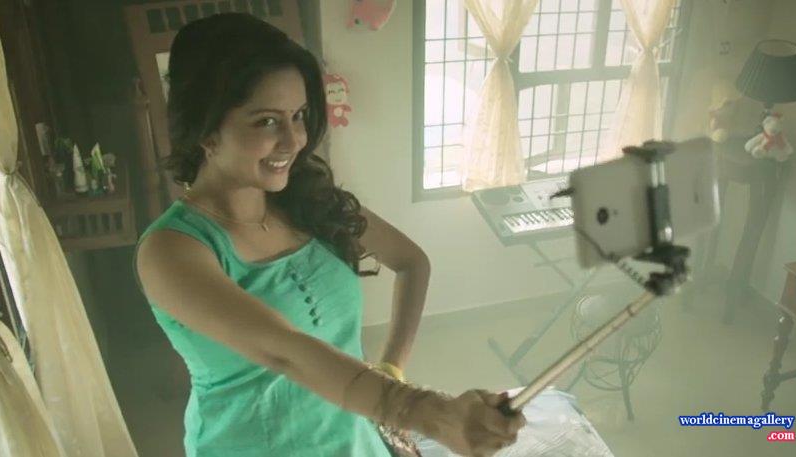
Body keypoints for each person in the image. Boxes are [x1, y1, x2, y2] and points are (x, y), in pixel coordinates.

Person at [134, 12, 525, 457]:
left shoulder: (308, 202)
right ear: (206, 129)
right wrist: (426, 413)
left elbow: (412, 263)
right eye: (266, 121)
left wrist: (391, 371)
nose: (294, 140)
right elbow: (286, 351)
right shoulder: (171, 251)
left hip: (354, 441)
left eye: (298, 116)